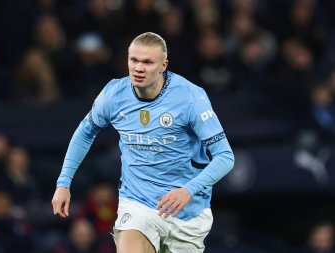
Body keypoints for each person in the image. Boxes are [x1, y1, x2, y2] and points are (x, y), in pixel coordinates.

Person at [52, 32, 235, 253]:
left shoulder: (190, 98)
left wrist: (188, 190)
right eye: (134, 60)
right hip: (138, 203)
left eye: (147, 62)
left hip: (188, 210)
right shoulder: (114, 94)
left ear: (163, 65)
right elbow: (85, 132)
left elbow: (225, 157)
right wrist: (64, 182)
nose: (138, 68)